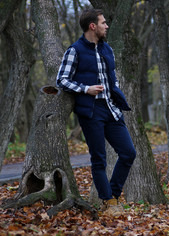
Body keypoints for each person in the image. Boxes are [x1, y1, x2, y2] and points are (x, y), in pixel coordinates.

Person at [56, 8, 136, 217]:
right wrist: (85, 89)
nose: (106, 26)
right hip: (91, 111)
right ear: (93, 26)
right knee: (98, 159)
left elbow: (112, 77)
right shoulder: (75, 50)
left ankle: (114, 196)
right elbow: (61, 80)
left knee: (129, 153)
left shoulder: (107, 49)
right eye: (103, 23)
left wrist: (115, 94)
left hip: (111, 109)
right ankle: (109, 202)